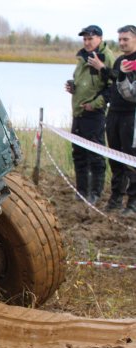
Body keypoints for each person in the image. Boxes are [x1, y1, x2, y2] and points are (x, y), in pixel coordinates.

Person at [65, 25, 114, 205]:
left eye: (90, 38)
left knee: (95, 154)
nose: (86, 42)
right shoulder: (82, 58)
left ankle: (95, 193)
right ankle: (81, 191)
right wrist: (73, 87)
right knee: (78, 153)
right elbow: (85, 82)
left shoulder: (106, 57)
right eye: (84, 39)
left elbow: (112, 86)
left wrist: (95, 104)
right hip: (78, 112)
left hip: (94, 115)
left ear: (99, 38)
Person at [91, 25, 136, 214]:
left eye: (126, 39)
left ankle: (133, 202)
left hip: (131, 115)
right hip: (114, 113)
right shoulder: (120, 60)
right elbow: (115, 80)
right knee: (115, 158)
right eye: (120, 39)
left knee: (131, 160)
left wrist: (104, 68)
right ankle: (116, 198)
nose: (122, 43)